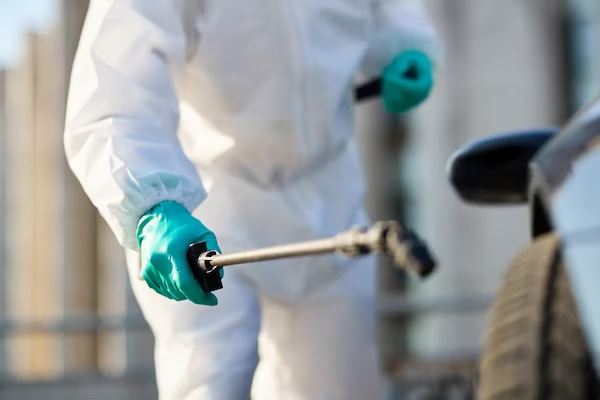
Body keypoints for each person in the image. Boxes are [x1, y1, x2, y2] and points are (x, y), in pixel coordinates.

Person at [64, 1, 441, 399]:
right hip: (212, 207)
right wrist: (152, 205)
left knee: (344, 385)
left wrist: (404, 45)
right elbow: (115, 88)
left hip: (331, 193)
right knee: (211, 383)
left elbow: (388, 9)